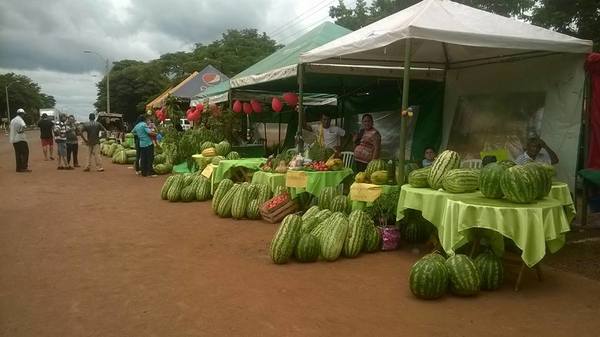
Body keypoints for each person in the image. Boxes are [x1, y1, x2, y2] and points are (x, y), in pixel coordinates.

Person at [9, 108, 31, 172]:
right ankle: (24, 167)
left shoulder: (13, 120)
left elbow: (10, 127)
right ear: (22, 114)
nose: (24, 115)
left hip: (13, 139)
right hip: (20, 139)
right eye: (23, 114)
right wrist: (20, 131)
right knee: (25, 153)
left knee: (18, 154)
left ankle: (18, 168)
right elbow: (24, 126)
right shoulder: (20, 119)